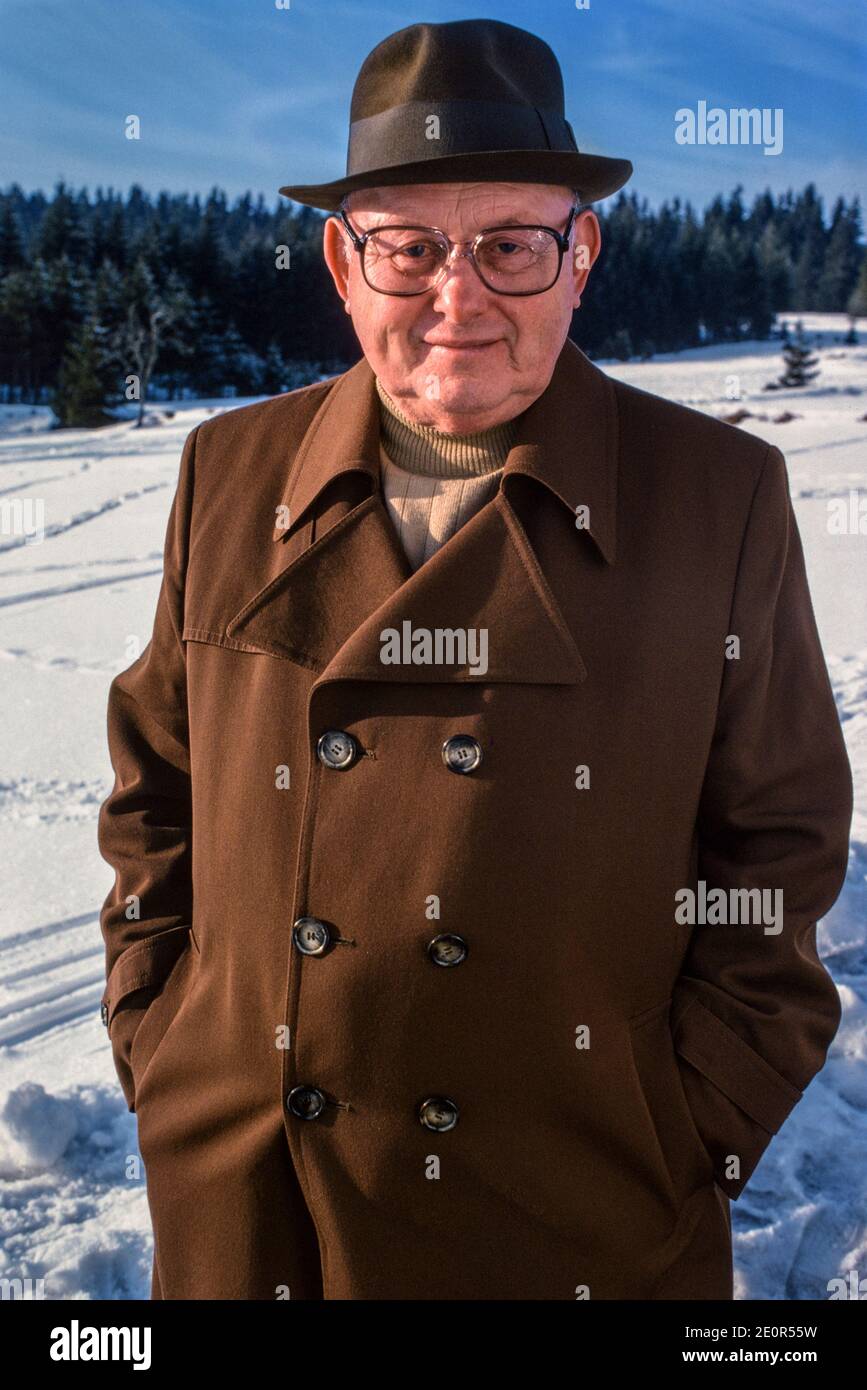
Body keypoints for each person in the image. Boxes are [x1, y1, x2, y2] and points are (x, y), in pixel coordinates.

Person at [97, 18, 852, 1300]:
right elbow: (152, 788)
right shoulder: (227, 472)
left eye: (511, 244)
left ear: (581, 256)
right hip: (254, 1214)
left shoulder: (716, 494)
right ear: (344, 264)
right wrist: (162, 1037)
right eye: (409, 249)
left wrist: (683, 1128)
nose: (461, 299)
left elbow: (775, 847)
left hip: (575, 1222)